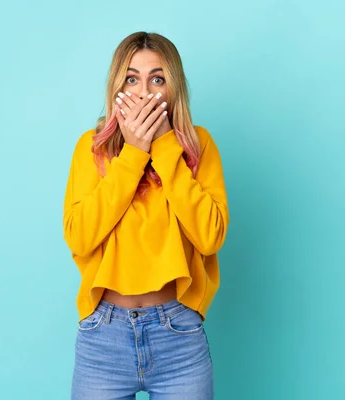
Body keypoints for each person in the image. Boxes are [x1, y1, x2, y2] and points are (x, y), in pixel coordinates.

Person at [63, 31, 229, 399]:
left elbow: (210, 236)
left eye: (157, 78)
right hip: (103, 338)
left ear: (173, 88)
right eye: (132, 78)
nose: (144, 92)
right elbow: (80, 236)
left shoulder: (198, 147)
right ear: (117, 86)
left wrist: (165, 145)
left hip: (178, 336)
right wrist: (134, 154)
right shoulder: (92, 150)